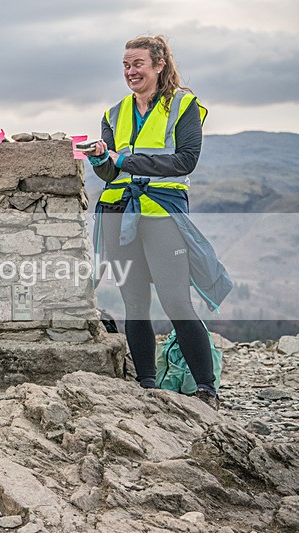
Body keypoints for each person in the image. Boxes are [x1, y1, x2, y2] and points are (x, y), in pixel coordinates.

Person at [84, 35, 232, 410]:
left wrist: (125, 161)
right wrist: (101, 158)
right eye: (126, 65)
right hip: (121, 213)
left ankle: (206, 389)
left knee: (175, 301)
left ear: (159, 64)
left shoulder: (184, 105)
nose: (131, 71)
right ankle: (146, 387)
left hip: (162, 213)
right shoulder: (113, 113)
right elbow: (107, 174)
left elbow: (185, 161)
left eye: (138, 64)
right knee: (134, 302)